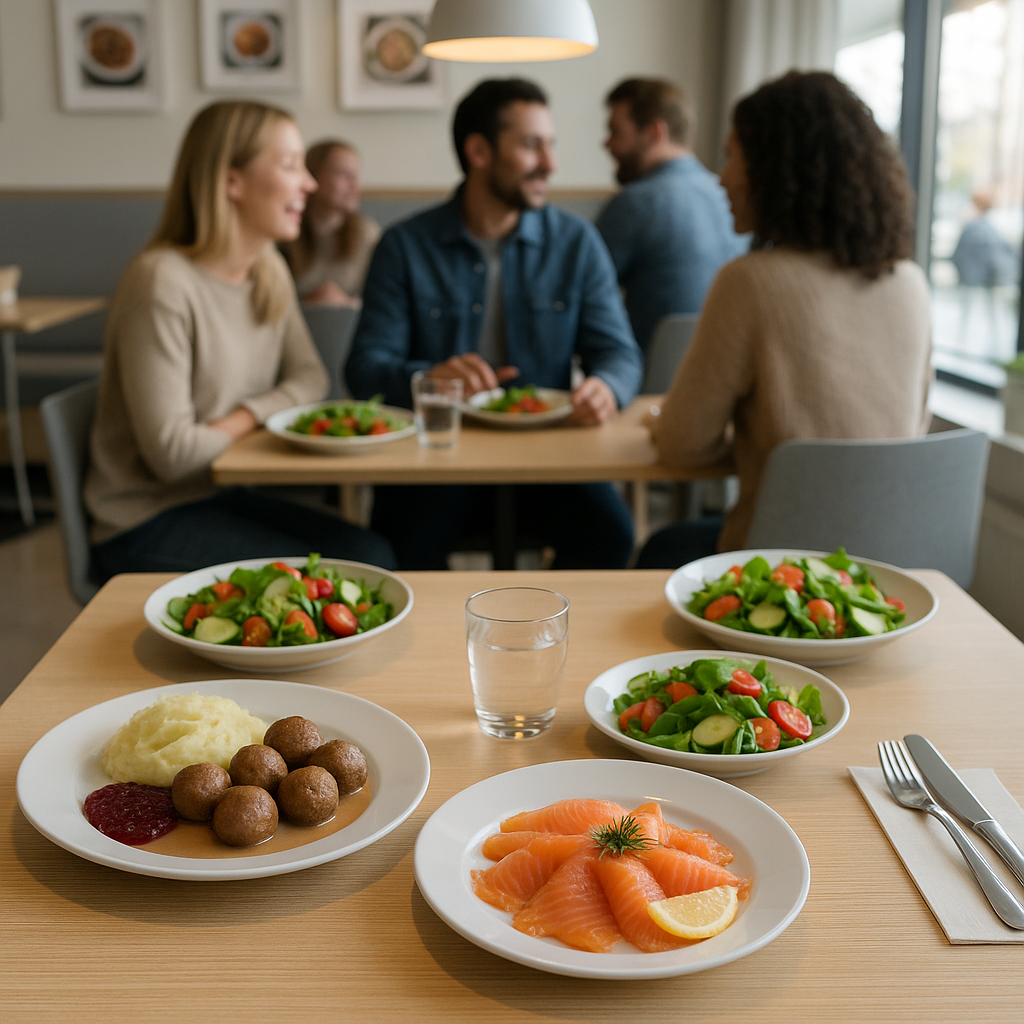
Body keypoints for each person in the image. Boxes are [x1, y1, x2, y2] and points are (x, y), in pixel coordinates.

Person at [85, 100, 396, 580]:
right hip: (144, 520)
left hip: (217, 493)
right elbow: (174, 455)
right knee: (354, 574)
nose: (309, 184)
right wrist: (258, 413)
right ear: (232, 182)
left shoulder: (266, 266)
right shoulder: (160, 282)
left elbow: (311, 377)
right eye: (291, 166)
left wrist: (233, 420)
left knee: (373, 552)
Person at [637, 70, 932, 569]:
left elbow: (684, 446)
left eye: (733, 156)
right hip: (891, 574)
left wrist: (671, 422)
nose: (721, 176)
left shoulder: (750, 282)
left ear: (777, 169)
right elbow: (910, 430)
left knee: (662, 548)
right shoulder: (911, 282)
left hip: (781, 574)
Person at [345, 78, 644, 570]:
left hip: (548, 462)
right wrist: (428, 380)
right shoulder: (404, 247)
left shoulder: (577, 243)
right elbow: (364, 368)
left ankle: (541, 635)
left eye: (551, 144)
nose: (551, 163)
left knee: (611, 535)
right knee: (397, 547)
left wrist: (607, 387)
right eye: (531, 146)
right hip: (437, 464)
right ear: (479, 151)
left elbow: (619, 354)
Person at [596, 78, 745, 355]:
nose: (607, 144)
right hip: (727, 376)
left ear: (654, 132)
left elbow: (582, 293)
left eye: (616, 132)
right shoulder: (732, 199)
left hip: (650, 386)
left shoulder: (634, 203)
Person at [281, 139, 381, 307]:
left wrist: (345, 304)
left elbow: (381, 305)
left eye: (356, 176)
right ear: (312, 175)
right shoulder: (285, 232)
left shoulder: (369, 236)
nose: (355, 185)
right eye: (344, 174)